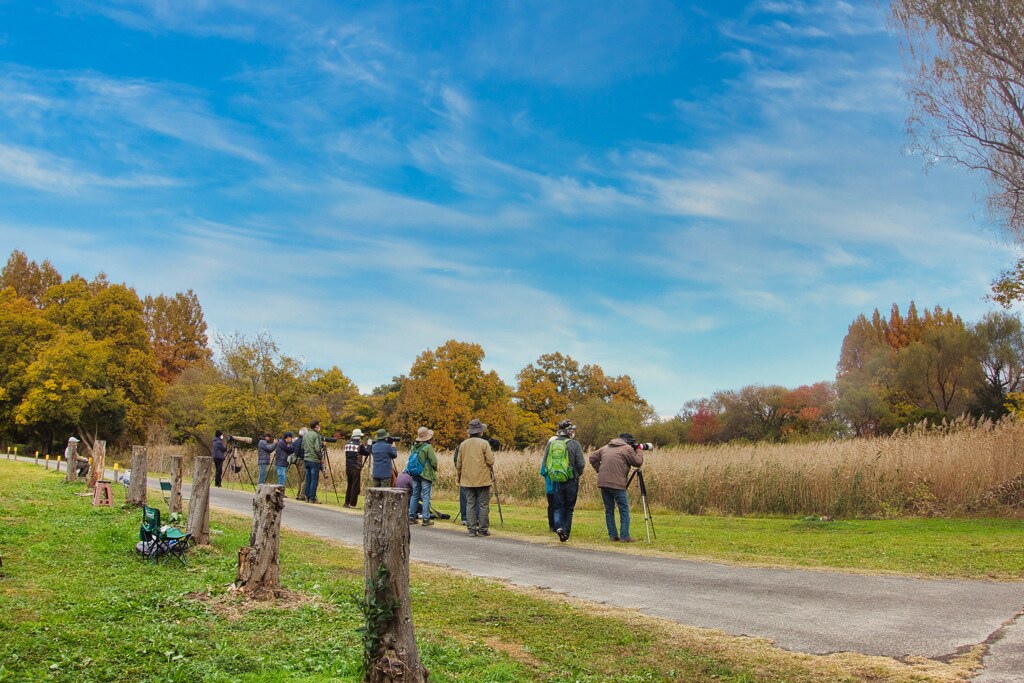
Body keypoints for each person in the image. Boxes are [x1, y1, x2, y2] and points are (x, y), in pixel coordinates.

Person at [588, 433, 644, 542]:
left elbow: (592, 458)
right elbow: (638, 462)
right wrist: (639, 449)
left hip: (604, 483)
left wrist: (600, 470)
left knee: (609, 510)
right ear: (627, 440)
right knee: (624, 509)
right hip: (617, 484)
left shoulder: (606, 447)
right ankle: (624, 536)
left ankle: (613, 536)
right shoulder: (627, 448)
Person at [540, 420, 585, 542]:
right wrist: (577, 474)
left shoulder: (551, 443)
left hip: (556, 480)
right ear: (569, 431)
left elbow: (545, 463)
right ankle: (565, 531)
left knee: (558, 506)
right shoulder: (575, 444)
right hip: (571, 479)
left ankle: (558, 527)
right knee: (569, 508)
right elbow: (581, 463)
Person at [456, 418, 494, 537]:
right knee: (483, 504)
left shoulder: (463, 444)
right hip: (482, 478)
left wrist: (459, 477)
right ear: (480, 431)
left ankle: (471, 529)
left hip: (467, 479)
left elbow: (458, 464)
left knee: (470, 504)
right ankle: (483, 529)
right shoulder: (484, 443)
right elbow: (490, 461)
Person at [406, 427, 439, 526]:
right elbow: (434, 461)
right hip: (425, 474)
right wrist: (435, 468)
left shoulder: (414, 446)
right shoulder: (428, 447)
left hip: (415, 474)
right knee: (426, 496)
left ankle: (411, 517)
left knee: (415, 495)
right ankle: (426, 519)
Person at [344, 429, 370, 508]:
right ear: (358, 436)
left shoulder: (347, 444)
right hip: (355, 467)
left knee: (349, 484)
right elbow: (367, 452)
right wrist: (369, 445)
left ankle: (346, 502)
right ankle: (352, 504)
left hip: (348, 467)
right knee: (355, 486)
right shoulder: (359, 445)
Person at [302, 420, 324, 503]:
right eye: (318, 425)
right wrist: (321, 457)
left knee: (308, 479)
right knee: (314, 479)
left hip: (306, 458)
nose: (319, 427)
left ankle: (307, 497)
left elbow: (302, 446)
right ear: (316, 426)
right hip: (314, 459)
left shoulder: (306, 434)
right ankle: (312, 498)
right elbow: (317, 448)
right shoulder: (316, 435)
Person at [292, 428, 307, 500]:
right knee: (304, 478)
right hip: (302, 460)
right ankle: (302, 495)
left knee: (299, 479)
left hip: (297, 461)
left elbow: (294, 450)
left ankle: (298, 494)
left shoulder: (296, 441)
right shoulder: (303, 441)